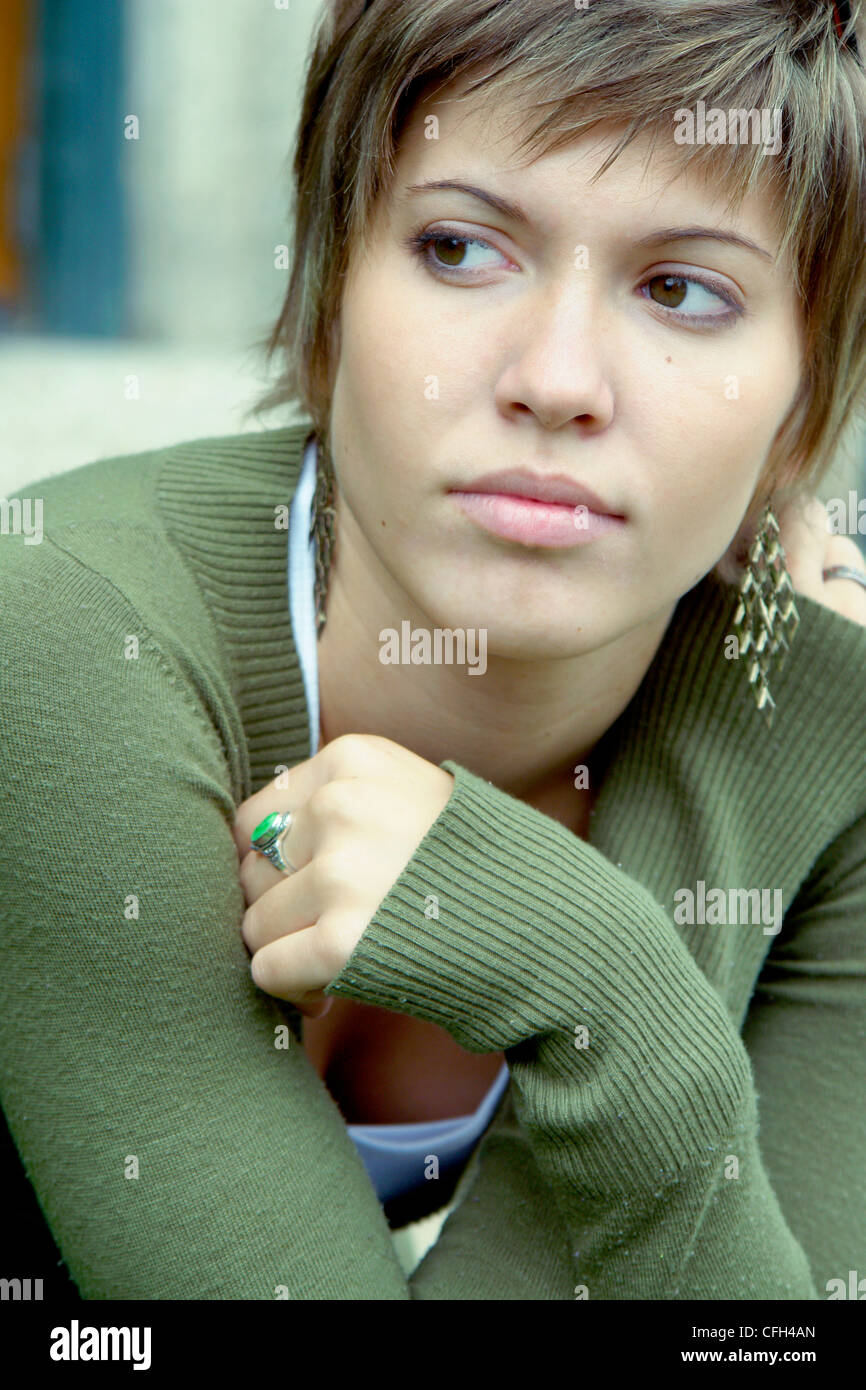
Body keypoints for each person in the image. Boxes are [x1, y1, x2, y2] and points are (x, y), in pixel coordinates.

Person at [2, 0, 866, 1300]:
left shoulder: (815, 728)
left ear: (803, 409)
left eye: (681, 289)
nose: (556, 375)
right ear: (331, 285)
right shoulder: (73, 630)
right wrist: (606, 985)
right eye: (461, 248)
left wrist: (604, 973)